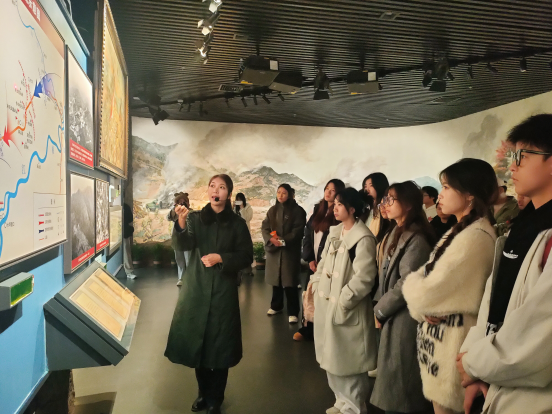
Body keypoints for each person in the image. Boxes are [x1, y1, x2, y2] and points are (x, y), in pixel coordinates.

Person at [457, 114, 552, 414]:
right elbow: (493, 300)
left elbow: (540, 335)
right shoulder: (522, 226)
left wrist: (473, 363)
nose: (513, 167)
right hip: (496, 380)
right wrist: (473, 364)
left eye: (522, 157)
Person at [402, 159, 498, 414]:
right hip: (441, 346)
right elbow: (424, 278)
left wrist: (419, 297)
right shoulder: (462, 230)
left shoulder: (474, 237)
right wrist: (421, 297)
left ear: (469, 195)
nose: (439, 195)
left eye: (446, 187)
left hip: (452, 348)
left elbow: (425, 291)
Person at [164, 174, 253, 414]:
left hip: (223, 292)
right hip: (196, 288)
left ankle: (216, 399)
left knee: (221, 347)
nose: (216, 191)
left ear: (228, 193)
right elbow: (182, 245)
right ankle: (203, 393)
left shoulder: (237, 224)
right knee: (199, 345)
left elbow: (246, 256)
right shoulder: (195, 218)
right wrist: (181, 222)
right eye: (212, 186)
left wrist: (221, 258)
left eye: (222, 187)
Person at [370, 181, 436, 414]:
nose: (385, 204)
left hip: (405, 316)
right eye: (385, 199)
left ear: (408, 205)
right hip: (393, 312)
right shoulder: (396, 231)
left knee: (402, 381)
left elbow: (407, 282)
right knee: (394, 377)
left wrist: (380, 309)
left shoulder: (416, 238)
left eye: (391, 199)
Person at [312, 187, 378, 414]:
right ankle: (341, 401)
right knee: (332, 358)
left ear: (352, 209)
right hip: (327, 307)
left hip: (347, 310)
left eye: (340, 204)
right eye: (335, 203)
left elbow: (365, 277)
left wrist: (343, 301)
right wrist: (316, 284)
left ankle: (354, 406)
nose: (335, 207)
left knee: (349, 361)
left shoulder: (363, 238)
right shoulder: (335, 232)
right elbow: (323, 263)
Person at [294, 179, 345, 341]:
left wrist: (323, 264)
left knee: (325, 296)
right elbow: (308, 233)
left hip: (328, 264)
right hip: (313, 261)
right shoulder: (318, 209)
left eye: (332, 190)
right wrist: (310, 259)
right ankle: (308, 327)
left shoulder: (338, 213)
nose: (328, 192)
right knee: (310, 294)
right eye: (327, 189)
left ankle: (324, 329)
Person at [262, 184, 307, 323]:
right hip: (274, 251)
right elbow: (265, 227)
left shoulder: (298, 211)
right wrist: (271, 239)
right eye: (279, 192)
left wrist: (281, 241)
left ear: (290, 195)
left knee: (290, 282)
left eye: (284, 193)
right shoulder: (272, 210)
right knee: (276, 281)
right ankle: (276, 306)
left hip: (289, 251)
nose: (280, 195)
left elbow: (297, 231)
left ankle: (293, 311)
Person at [167, 192, 192, 286]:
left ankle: (190, 279)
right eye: (180, 201)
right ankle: (181, 278)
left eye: (184, 201)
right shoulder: (174, 212)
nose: (182, 203)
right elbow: (168, 217)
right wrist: (174, 209)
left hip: (188, 240)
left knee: (189, 261)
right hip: (177, 239)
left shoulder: (191, 212)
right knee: (179, 260)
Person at [361, 172, 390, 241]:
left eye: (371, 185)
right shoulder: (367, 210)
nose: (367, 189)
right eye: (365, 186)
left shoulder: (386, 208)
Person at [234, 192, 254, 277]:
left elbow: (247, 218)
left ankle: (248, 270)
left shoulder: (248, 207)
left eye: (240, 200)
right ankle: (238, 269)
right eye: (237, 200)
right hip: (235, 233)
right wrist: (233, 207)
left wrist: (242, 208)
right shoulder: (235, 208)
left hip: (245, 232)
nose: (238, 201)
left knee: (246, 251)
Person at [123, 202, 136, 279]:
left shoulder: (125, 206)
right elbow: (130, 219)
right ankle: (129, 272)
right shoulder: (125, 206)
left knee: (126, 252)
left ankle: (129, 271)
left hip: (123, 233)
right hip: (124, 232)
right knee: (126, 252)